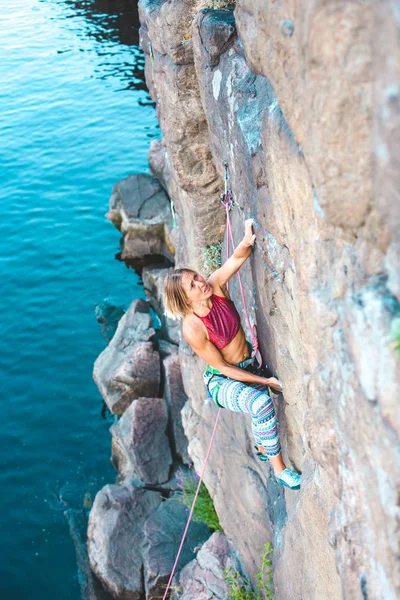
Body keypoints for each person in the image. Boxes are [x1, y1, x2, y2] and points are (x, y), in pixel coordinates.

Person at [163, 219, 301, 491]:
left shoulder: (214, 286)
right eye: (192, 285)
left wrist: (247, 237)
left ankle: (263, 445)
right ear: (184, 300)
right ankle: (280, 471)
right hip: (222, 380)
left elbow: (236, 259)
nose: (200, 283)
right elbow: (223, 367)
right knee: (261, 403)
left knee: (259, 404)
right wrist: (265, 382)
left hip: (247, 365)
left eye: (196, 277)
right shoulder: (193, 327)